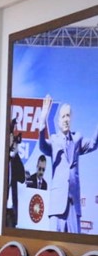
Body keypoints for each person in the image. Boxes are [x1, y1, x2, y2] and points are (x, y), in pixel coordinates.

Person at [38, 94, 98, 233]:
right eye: (63, 116)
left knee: (74, 242)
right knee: (54, 243)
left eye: (68, 116)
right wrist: (43, 119)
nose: (66, 119)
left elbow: (93, 144)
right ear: (58, 121)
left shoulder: (77, 139)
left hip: (73, 205)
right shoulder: (54, 140)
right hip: (57, 205)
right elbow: (42, 146)